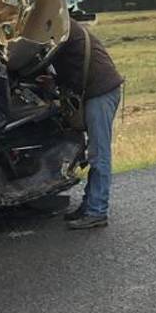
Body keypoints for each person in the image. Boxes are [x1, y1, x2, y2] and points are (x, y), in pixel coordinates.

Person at [51, 20, 124, 229]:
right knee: (96, 152)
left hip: (100, 92)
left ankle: (97, 211)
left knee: (99, 153)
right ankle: (90, 205)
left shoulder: (59, 30)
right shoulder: (65, 26)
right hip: (101, 89)